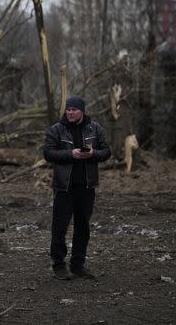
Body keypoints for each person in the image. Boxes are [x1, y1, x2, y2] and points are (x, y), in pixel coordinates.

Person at [43, 95, 111, 280]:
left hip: (87, 187)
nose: (70, 112)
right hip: (64, 188)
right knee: (60, 228)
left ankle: (78, 264)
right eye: (68, 109)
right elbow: (48, 153)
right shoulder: (57, 130)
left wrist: (93, 153)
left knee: (83, 227)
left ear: (82, 110)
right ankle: (58, 265)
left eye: (74, 109)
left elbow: (107, 152)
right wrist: (71, 154)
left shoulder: (94, 128)